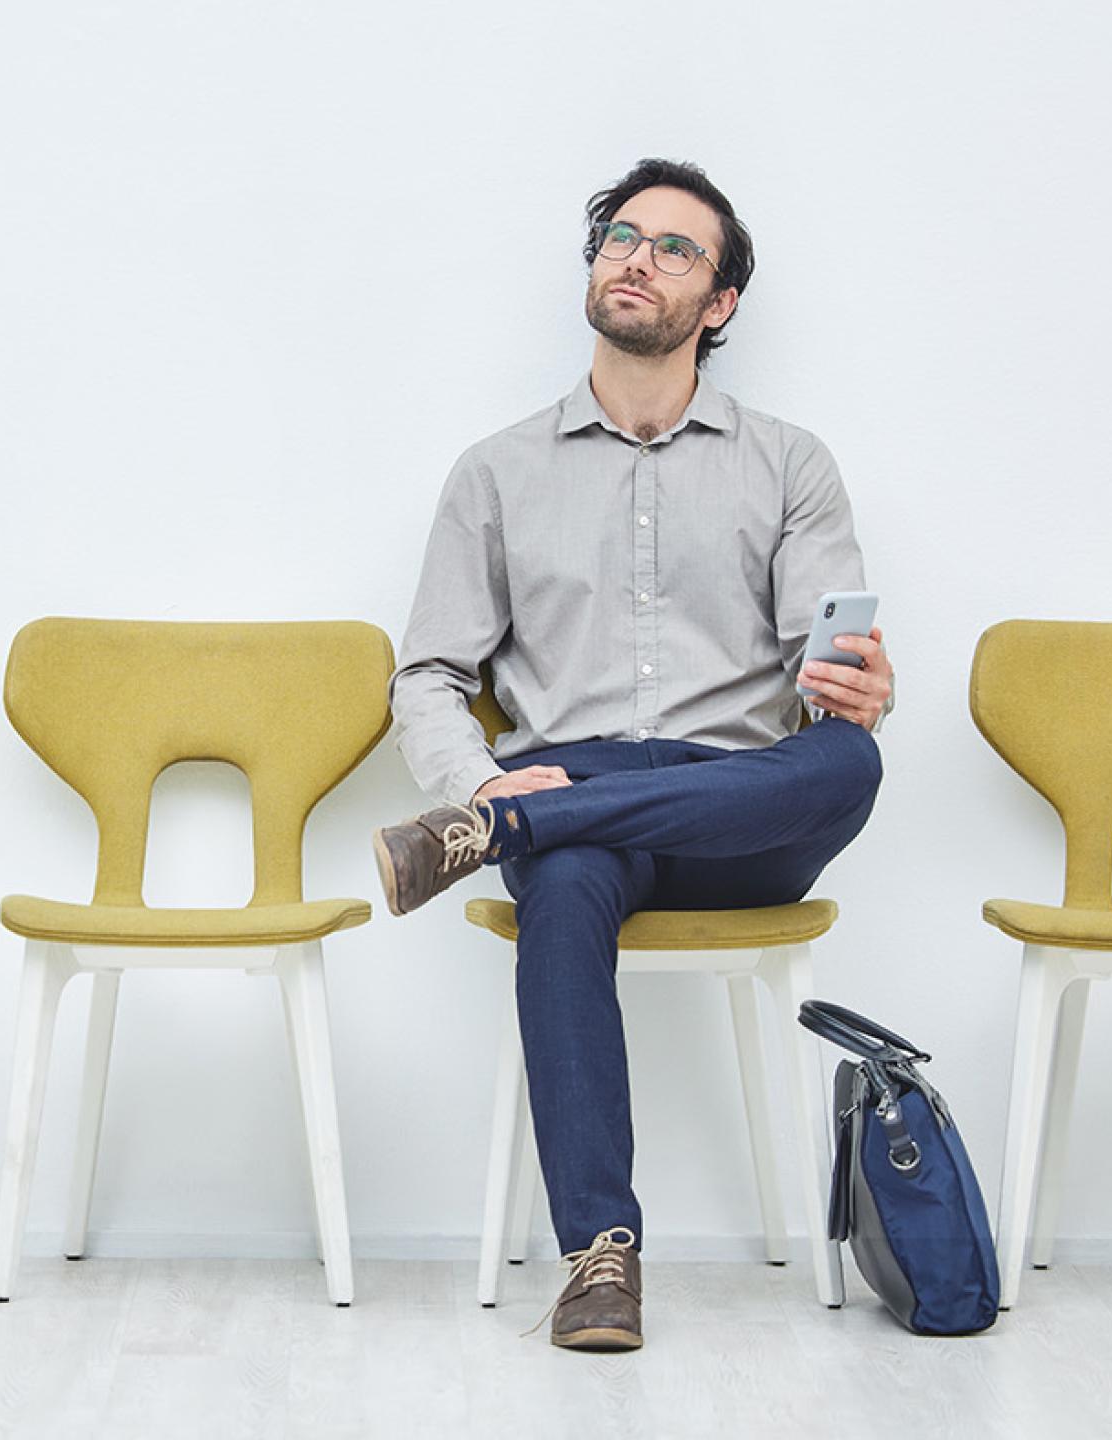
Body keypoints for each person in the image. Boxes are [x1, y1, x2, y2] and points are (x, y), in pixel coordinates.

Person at [373, 158, 896, 1352]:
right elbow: (429, 678)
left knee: (849, 764)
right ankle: (599, 1260)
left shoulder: (789, 464)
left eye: (674, 248)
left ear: (716, 306)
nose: (635, 257)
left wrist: (864, 683)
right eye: (620, 234)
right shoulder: (495, 473)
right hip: (574, 798)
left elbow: (836, 674)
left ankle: (516, 830)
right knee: (565, 882)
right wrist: (480, 782)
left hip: (742, 822)